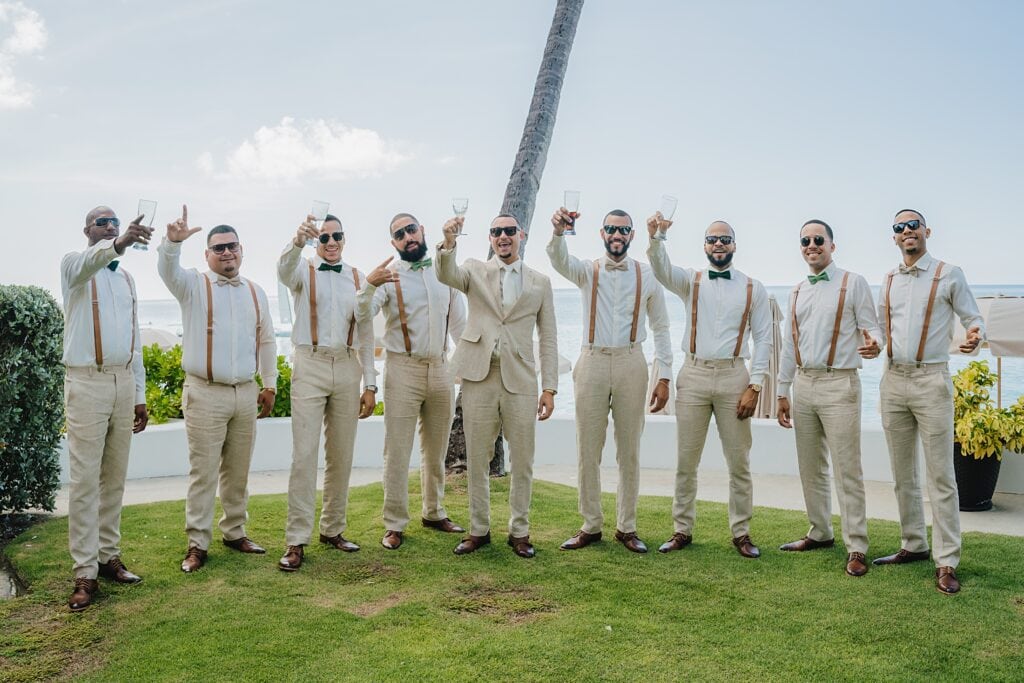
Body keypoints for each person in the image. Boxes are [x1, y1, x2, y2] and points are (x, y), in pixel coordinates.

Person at [157, 205, 277, 573]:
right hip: (204, 392)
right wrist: (171, 243)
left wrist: (269, 384)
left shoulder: (256, 293)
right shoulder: (192, 284)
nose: (227, 253)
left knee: (238, 470)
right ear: (207, 253)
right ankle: (197, 543)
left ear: (241, 250)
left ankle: (235, 531)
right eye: (219, 248)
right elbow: (167, 270)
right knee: (203, 471)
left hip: (244, 393)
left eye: (232, 247)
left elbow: (267, 341)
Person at [546, 207, 672, 554]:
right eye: (611, 230)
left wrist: (664, 375)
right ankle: (590, 525)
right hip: (592, 361)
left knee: (629, 450)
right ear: (602, 234)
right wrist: (558, 232)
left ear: (632, 235)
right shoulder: (587, 271)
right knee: (588, 448)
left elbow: (661, 327)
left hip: (633, 361)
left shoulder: (647, 275)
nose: (617, 235)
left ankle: (626, 527)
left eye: (624, 230)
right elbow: (558, 260)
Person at [646, 214, 771, 558]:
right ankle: (681, 529)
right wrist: (657, 238)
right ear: (704, 245)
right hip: (695, 375)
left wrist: (756, 385)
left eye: (725, 239)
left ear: (734, 245)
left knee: (739, 462)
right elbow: (660, 270)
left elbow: (764, 339)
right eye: (712, 239)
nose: (719, 244)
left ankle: (741, 533)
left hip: (735, 376)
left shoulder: (753, 287)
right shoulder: (691, 281)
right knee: (686, 460)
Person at [874, 209, 983, 594]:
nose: (907, 232)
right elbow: (880, 329)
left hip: (931, 379)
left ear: (926, 231)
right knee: (902, 474)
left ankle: (947, 560)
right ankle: (913, 544)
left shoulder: (949, 273)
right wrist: (873, 344)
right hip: (893, 380)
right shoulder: (887, 279)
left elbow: (973, 318)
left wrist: (974, 335)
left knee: (941, 476)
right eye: (899, 228)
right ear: (894, 237)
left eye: (913, 225)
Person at [435, 213, 558, 558]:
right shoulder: (473, 269)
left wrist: (550, 387)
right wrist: (448, 244)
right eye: (496, 232)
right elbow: (446, 272)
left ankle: (520, 532)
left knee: (523, 460)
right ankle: (479, 530)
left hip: (521, 378)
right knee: (477, 458)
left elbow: (548, 337)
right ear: (489, 238)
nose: (503, 237)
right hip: (479, 375)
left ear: (521, 235)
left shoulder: (540, 282)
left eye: (508, 231)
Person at [775, 219, 882, 577]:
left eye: (818, 239)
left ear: (832, 246)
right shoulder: (795, 291)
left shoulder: (854, 283)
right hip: (803, 386)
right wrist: (781, 390)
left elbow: (873, 327)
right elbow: (789, 345)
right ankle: (819, 532)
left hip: (840, 384)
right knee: (810, 467)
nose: (811, 245)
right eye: (805, 240)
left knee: (847, 469)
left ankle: (857, 546)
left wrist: (874, 343)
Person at [356, 213, 467, 551]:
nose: (407, 237)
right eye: (399, 234)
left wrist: (468, 371)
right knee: (398, 450)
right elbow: (363, 314)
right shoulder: (390, 278)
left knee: (436, 449)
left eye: (411, 230)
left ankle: (434, 512)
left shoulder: (443, 275)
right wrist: (369, 285)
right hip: (401, 368)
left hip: (440, 367)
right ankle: (394, 523)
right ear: (394, 243)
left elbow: (460, 327)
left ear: (422, 231)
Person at [62, 206, 151, 611]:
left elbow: (134, 341)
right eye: (103, 222)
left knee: (114, 477)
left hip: (121, 381)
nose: (111, 226)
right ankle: (84, 571)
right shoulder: (74, 267)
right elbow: (90, 262)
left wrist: (139, 394)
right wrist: (118, 244)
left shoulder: (127, 279)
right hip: (86, 381)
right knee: (84, 481)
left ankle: (107, 555)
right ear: (87, 230)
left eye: (115, 222)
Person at [276, 214, 376, 571]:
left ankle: (333, 529)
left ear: (344, 240)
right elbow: (283, 270)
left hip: (348, 366)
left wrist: (371, 383)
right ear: (317, 241)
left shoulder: (357, 277)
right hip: (311, 363)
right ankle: (295, 540)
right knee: (303, 455)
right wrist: (297, 240)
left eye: (337, 236)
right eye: (325, 237)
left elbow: (366, 333)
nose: (331, 242)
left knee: (342, 453)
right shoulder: (303, 270)